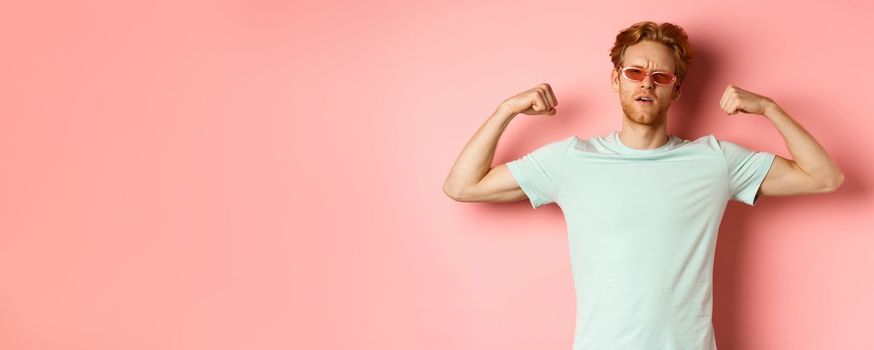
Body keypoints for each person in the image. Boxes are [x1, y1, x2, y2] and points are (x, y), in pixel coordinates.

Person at [442, 21, 844, 350]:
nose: (646, 83)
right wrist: (506, 110)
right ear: (616, 80)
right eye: (634, 72)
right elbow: (462, 185)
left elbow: (825, 177)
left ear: (676, 88)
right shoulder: (572, 160)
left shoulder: (714, 161)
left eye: (660, 75)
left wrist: (770, 110)